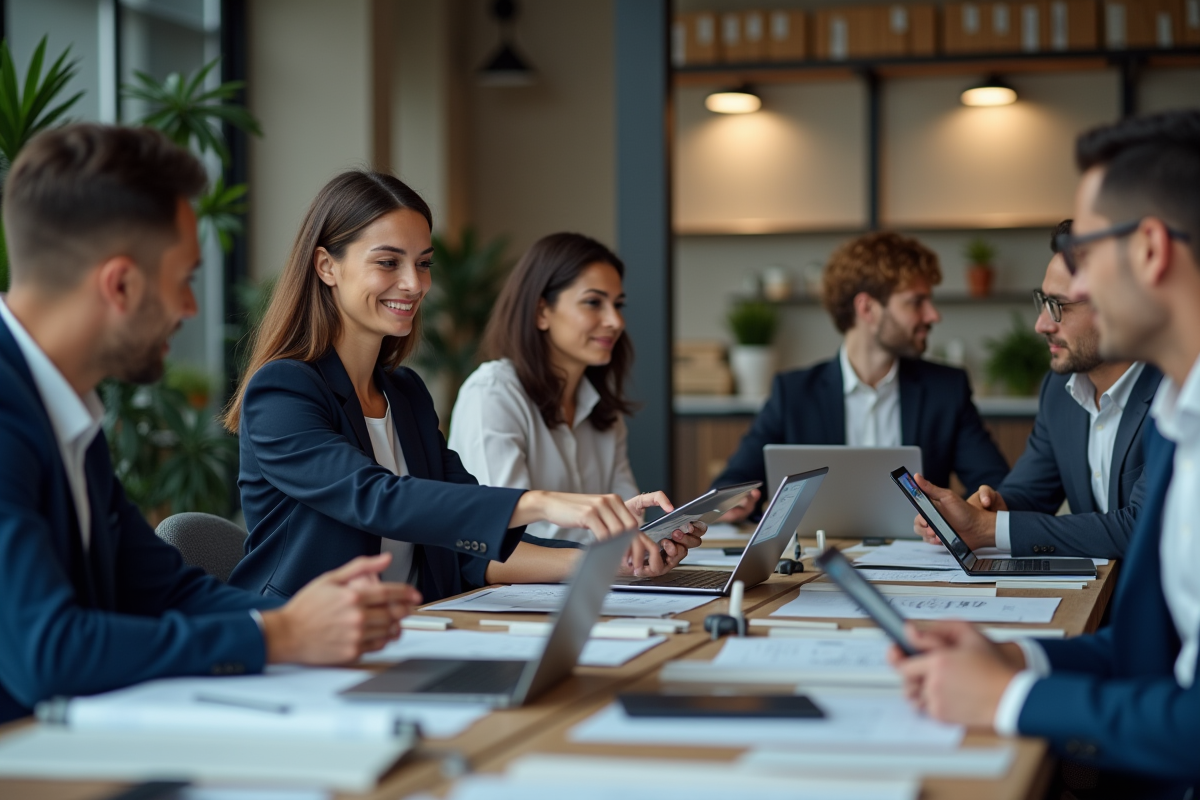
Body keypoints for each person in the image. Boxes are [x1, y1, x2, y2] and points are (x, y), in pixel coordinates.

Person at [0, 124, 422, 725]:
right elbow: (49, 652)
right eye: (186, 280)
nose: (191, 309)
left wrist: (293, 624)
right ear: (119, 284)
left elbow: (162, 588)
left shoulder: (64, 411)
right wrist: (277, 638)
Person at [890, 110, 1200, 796]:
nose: (1061, 303)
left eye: (1086, 255)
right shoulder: (1185, 422)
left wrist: (1008, 700)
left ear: (1150, 250)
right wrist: (1009, 657)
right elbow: (1150, 653)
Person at [224, 174, 702, 601]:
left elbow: (466, 545)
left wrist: (612, 560)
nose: (414, 284)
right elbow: (376, 498)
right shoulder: (283, 389)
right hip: (300, 645)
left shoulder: (405, 394)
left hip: (411, 631)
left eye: (423, 263)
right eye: (388, 262)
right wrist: (543, 501)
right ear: (327, 267)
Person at [715, 231, 1009, 520]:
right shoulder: (794, 393)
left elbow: (996, 485)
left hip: (922, 560)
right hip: (819, 562)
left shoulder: (946, 389)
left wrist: (978, 504)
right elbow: (730, 486)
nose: (933, 315)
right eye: (916, 302)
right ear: (867, 308)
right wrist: (739, 505)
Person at [910, 220, 1162, 559]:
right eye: (1043, 301)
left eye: (1058, 305)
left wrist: (987, 529)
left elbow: (1139, 528)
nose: (1041, 324)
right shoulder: (1059, 390)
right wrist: (988, 507)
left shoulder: (1176, 393)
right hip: (1096, 600)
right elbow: (1030, 491)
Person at [448, 232, 703, 544]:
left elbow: (625, 521)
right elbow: (501, 530)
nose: (615, 321)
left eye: (618, 304)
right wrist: (612, 555)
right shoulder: (492, 393)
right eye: (593, 302)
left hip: (596, 583)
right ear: (542, 312)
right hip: (513, 589)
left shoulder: (602, 410)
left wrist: (654, 543)